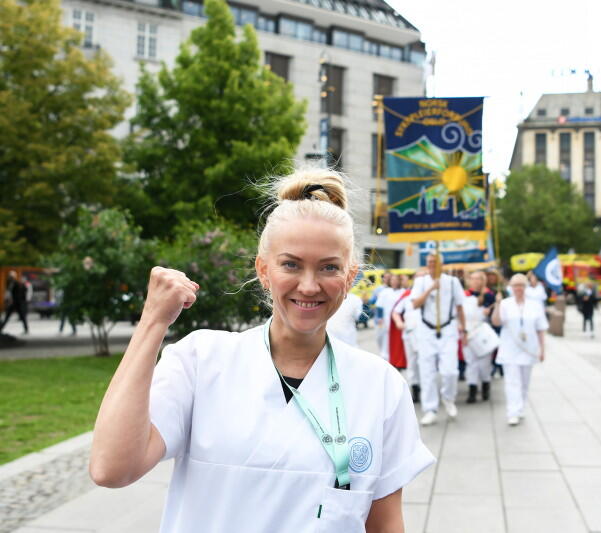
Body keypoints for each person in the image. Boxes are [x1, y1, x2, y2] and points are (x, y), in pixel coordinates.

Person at [89, 168, 435, 532]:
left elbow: (385, 525)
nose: (309, 285)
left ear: (350, 277)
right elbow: (111, 468)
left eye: (329, 268)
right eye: (291, 264)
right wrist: (152, 322)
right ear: (264, 270)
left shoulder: (380, 386)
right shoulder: (202, 361)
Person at [410, 252, 467, 425]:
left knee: (450, 371)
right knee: (427, 372)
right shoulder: (421, 282)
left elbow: (460, 307)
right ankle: (430, 409)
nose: (431, 265)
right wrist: (430, 289)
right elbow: (415, 304)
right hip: (426, 330)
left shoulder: (452, 281)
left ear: (441, 263)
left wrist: (464, 330)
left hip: (448, 329)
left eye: (434, 262)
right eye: (429, 262)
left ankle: (448, 398)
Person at [491, 274, 548, 426]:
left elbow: (541, 329)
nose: (518, 288)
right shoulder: (505, 304)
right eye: (515, 285)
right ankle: (513, 412)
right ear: (511, 287)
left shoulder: (534, 305)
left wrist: (542, 349)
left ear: (526, 287)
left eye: (521, 285)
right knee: (512, 381)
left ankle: (520, 406)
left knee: (524, 381)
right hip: (510, 349)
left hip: (528, 349)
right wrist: (497, 305)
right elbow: (496, 322)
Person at [392, 270, 424, 403]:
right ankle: (415, 388)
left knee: (425, 363)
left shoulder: (432, 295)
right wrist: (399, 322)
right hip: (410, 334)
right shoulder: (407, 295)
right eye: (418, 278)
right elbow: (396, 312)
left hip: (426, 335)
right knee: (412, 363)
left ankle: (427, 389)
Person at [463, 271, 495, 403]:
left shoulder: (489, 296)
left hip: (483, 332)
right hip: (468, 332)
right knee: (471, 362)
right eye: (473, 279)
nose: (475, 281)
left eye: (478, 279)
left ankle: (486, 385)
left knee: (484, 363)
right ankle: (472, 389)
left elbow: (495, 316)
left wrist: (490, 312)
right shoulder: (464, 295)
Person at [375, 273, 403, 360]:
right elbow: (379, 306)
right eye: (392, 280)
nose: (394, 282)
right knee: (385, 341)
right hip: (387, 321)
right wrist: (380, 318)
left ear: (399, 281)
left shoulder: (403, 292)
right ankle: (386, 358)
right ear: (390, 281)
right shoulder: (385, 292)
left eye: (396, 280)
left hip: (399, 321)